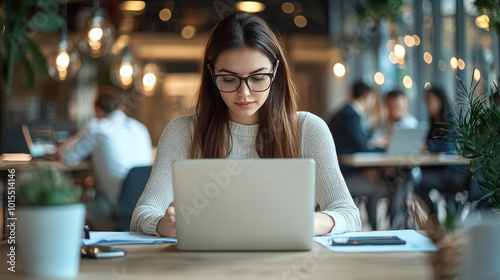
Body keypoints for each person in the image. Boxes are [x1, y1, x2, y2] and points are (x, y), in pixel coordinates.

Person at [131, 11, 361, 237]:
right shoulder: (182, 132)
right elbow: (143, 214)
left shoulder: (308, 129)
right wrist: (164, 225)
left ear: (275, 71)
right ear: (211, 73)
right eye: (229, 79)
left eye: (258, 78)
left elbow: (349, 214)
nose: (244, 93)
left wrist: (314, 222)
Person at [60, 91, 153, 229]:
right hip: (147, 198)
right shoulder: (140, 127)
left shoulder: (97, 128)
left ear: (97, 110)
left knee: (85, 198)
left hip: (119, 201)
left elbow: (68, 157)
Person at [328, 81, 391, 230]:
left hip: (342, 171)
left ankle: (375, 228)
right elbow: (361, 147)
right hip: (343, 176)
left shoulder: (344, 113)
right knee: (383, 187)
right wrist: (384, 149)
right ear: (368, 96)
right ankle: (376, 229)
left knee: (380, 180)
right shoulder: (350, 115)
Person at [417, 87, 468, 214]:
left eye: (431, 100)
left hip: (453, 172)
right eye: (426, 101)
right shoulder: (433, 122)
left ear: (440, 101)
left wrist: (429, 146)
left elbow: (449, 147)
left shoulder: (451, 119)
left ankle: (433, 217)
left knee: (416, 181)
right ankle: (434, 216)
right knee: (414, 177)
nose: (428, 104)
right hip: (439, 169)